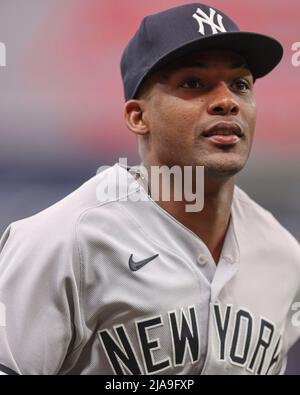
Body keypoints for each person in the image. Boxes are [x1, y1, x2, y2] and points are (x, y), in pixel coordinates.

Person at [0, 2, 299, 376]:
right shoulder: (63, 241)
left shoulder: (284, 256)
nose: (227, 102)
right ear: (138, 117)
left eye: (240, 85)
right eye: (194, 83)